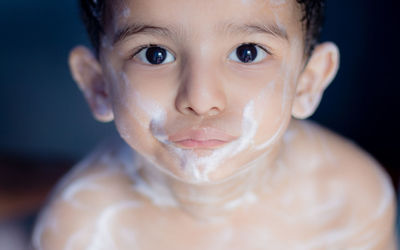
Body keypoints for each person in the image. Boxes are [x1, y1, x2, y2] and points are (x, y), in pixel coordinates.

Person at [32, 0, 397, 249]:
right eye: (154, 54)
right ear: (99, 85)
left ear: (308, 82)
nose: (201, 99)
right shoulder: (84, 228)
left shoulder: (350, 199)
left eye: (247, 52)